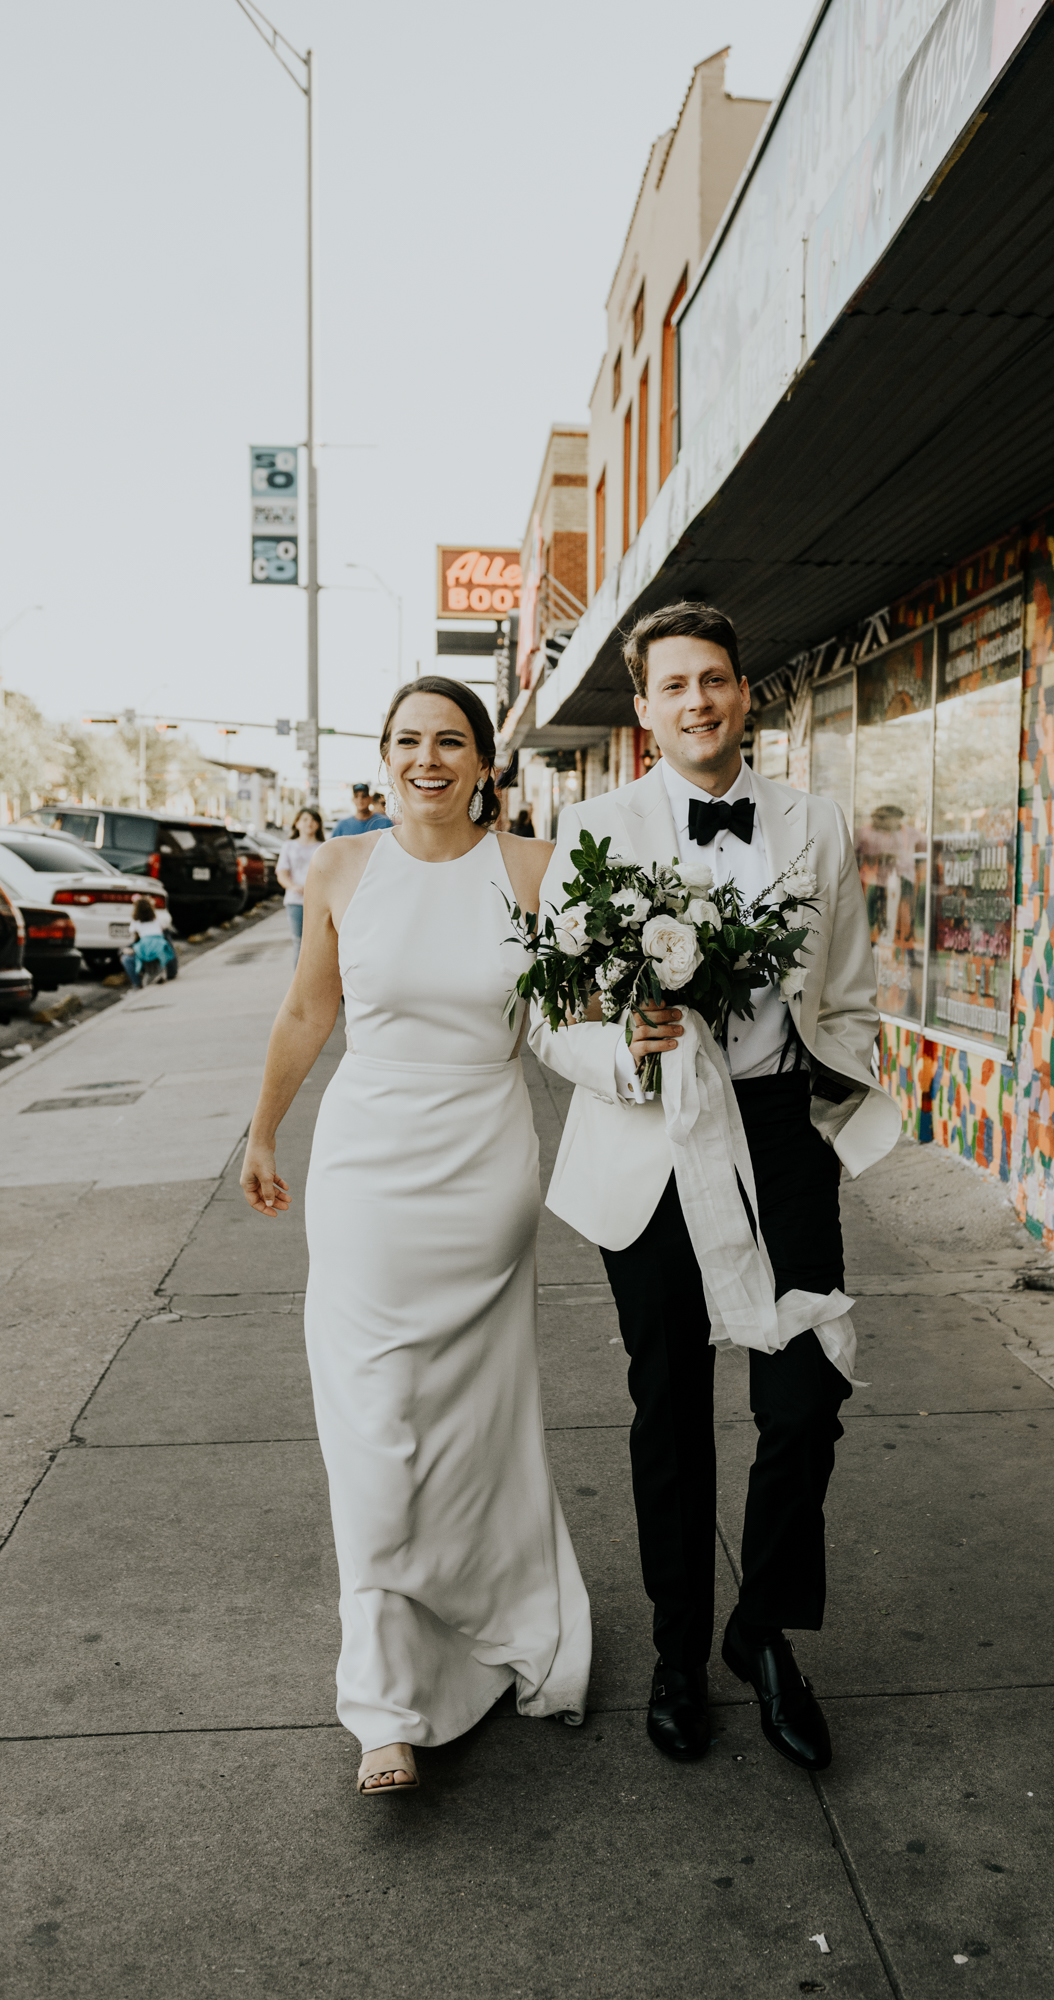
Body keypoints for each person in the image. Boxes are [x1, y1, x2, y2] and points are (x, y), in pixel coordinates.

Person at [530, 601, 900, 1774]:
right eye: (675, 683)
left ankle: (764, 1631)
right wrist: (624, 1050)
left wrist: (839, 1102)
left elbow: (844, 984)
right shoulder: (595, 827)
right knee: (671, 1406)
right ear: (642, 708)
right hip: (652, 1140)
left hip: (783, 1133)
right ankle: (681, 1650)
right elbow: (548, 1012)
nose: (698, 699)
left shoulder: (818, 821)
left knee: (804, 1397)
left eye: (718, 679)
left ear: (748, 695)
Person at [240, 675, 591, 1798]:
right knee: (374, 1423)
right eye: (408, 740)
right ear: (383, 754)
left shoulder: (533, 869)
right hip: (364, 1170)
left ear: (488, 759)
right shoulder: (341, 864)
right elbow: (308, 1011)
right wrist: (261, 1132)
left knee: (471, 1425)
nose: (428, 758)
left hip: (482, 1166)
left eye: (451, 740)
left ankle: (489, 1619)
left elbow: (568, 1023)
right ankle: (385, 1696)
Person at [276, 806, 324, 966]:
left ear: (318, 824)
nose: (309, 823)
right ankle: (300, 989)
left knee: (319, 945)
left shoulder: (324, 846)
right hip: (296, 902)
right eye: (305, 819)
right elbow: (282, 874)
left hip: (319, 903)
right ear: (297, 824)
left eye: (313, 820)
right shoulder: (289, 846)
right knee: (299, 944)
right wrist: (293, 887)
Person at [119, 895, 177, 987]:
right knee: (166, 952)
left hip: (144, 948)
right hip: (159, 946)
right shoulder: (157, 920)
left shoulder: (136, 922)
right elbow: (164, 927)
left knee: (128, 957)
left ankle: (137, 984)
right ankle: (163, 972)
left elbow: (132, 931)